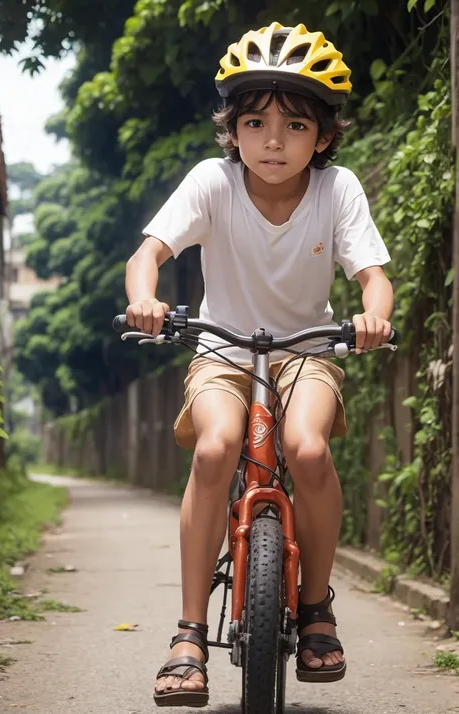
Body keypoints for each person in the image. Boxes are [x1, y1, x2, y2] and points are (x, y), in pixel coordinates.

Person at [125, 21, 394, 708]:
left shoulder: (338, 192)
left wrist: (371, 315)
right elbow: (148, 254)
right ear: (232, 130)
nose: (274, 141)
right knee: (215, 449)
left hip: (307, 349)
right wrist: (145, 300)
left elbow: (372, 275)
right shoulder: (212, 183)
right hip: (221, 346)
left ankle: (315, 611)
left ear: (324, 136)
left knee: (306, 451)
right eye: (255, 121)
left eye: (295, 125)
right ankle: (188, 631)